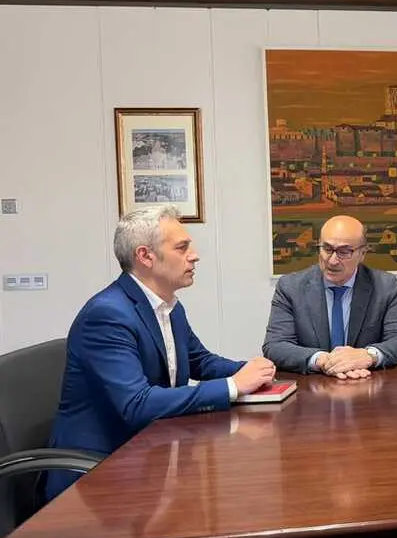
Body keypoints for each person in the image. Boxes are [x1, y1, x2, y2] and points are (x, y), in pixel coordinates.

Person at [47, 206, 276, 499]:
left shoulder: (168, 305)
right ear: (145, 256)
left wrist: (257, 372)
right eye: (182, 248)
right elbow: (137, 404)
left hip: (149, 452)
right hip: (97, 476)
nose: (194, 255)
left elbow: (198, 361)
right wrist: (234, 386)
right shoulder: (107, 315)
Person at [262, 215, 397, 379]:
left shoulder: (385, 286)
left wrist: (367, 356)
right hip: (311, 393)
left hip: (367, 390)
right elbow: (275, 346)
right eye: (327, 249)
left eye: (344, 252)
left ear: (362, 253)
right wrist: (323, 360)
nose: (333, 261)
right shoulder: (290, 287)